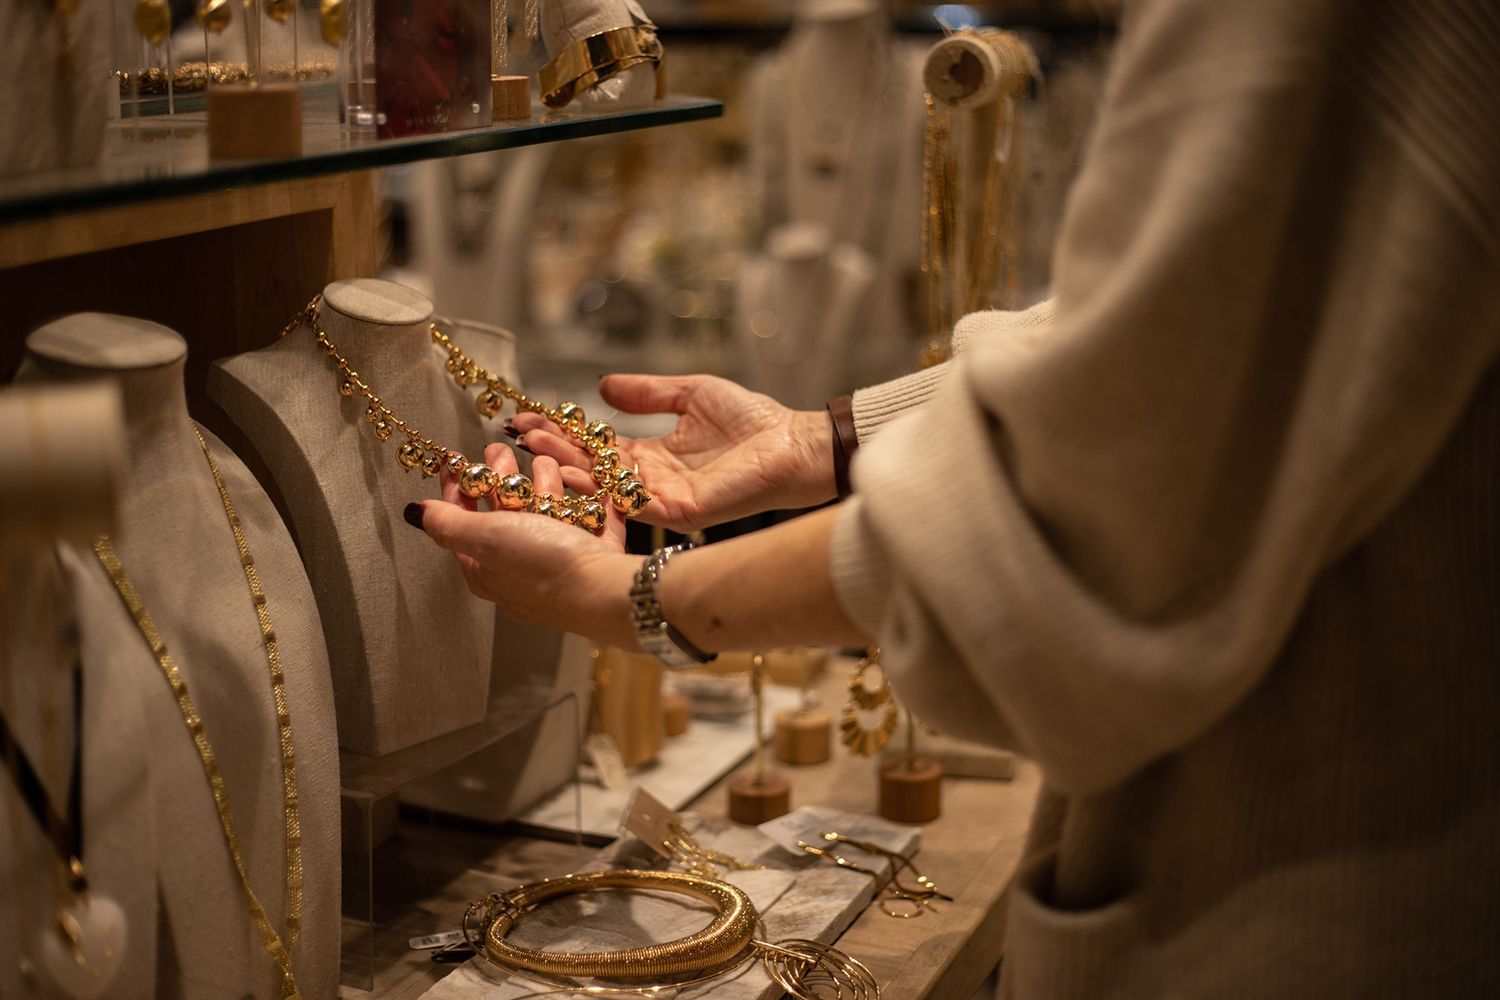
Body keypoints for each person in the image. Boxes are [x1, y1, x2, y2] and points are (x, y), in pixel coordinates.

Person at [404, 0, 1500, 994]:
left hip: (1311, 885)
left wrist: (644, 594)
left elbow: (1093, 498)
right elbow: (1159, 350)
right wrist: (825, 439)